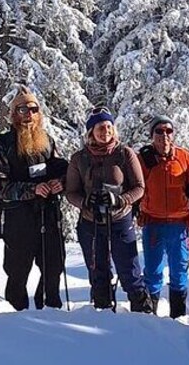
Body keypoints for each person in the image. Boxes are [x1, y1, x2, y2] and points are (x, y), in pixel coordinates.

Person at [65, 107, 153, 313]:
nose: (105, 131)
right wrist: (86, 202)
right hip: (90, 222)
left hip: (120, 220)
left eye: (108, 127)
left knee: (129, 270)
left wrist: (120, 199)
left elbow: (139, 187)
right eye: (100, 128)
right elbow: (71, 192)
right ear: (90, 132)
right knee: (98, 272)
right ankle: (102, 317)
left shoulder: (124, 153)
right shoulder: (79, 158)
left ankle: (143, 315)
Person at [0, 86, 68, 311]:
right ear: (14, 114)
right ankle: (17, 319)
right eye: (23, 109)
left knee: (54, 266)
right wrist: (31, 190)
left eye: (34, 109)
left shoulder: (47, 141)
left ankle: (50, 310)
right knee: (17, 272)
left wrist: (59, 183)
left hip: (48, 213)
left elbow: (60, 169)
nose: (29, 115)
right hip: (18, 217)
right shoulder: (3, 143)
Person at [136, 115, 189, 318]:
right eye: (159, 131)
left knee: (179, 271)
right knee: (153, 271)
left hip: (179, 224)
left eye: (168, 131)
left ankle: (178, 317)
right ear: (152, 135)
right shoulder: (143, 159)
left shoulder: (185, 157)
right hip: (152, 223)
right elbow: (134, 186)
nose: (164, 135)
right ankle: (149, 317)